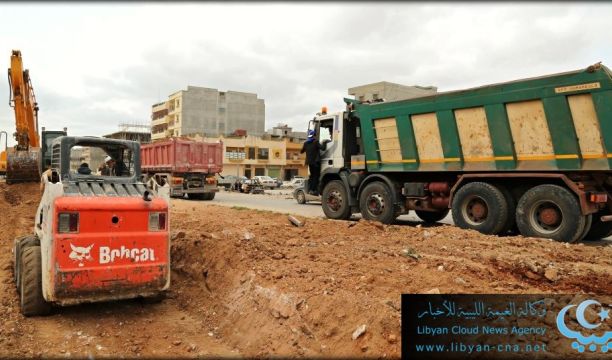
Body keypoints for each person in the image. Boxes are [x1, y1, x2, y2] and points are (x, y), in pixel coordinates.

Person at [300, 129, 327, 195]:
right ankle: (314, 190)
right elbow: (323, 148)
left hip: (309, 162)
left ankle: (310, 189)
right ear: (314, 136)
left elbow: (301, 151)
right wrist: (325, 142)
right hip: (315, 162)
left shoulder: (306, 143)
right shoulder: (315, 142)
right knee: (316, 176)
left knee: (312, 176)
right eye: (315, 135)